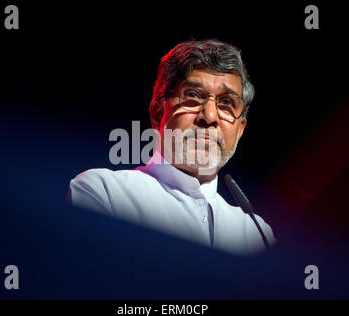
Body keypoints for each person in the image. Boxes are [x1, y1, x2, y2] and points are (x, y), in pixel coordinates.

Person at [67, 39, 276, 255]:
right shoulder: (106, 193)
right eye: (193, 96)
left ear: (240, 129)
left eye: (226, 103)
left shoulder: (257, 235)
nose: (210, 116)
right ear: (158, 113)